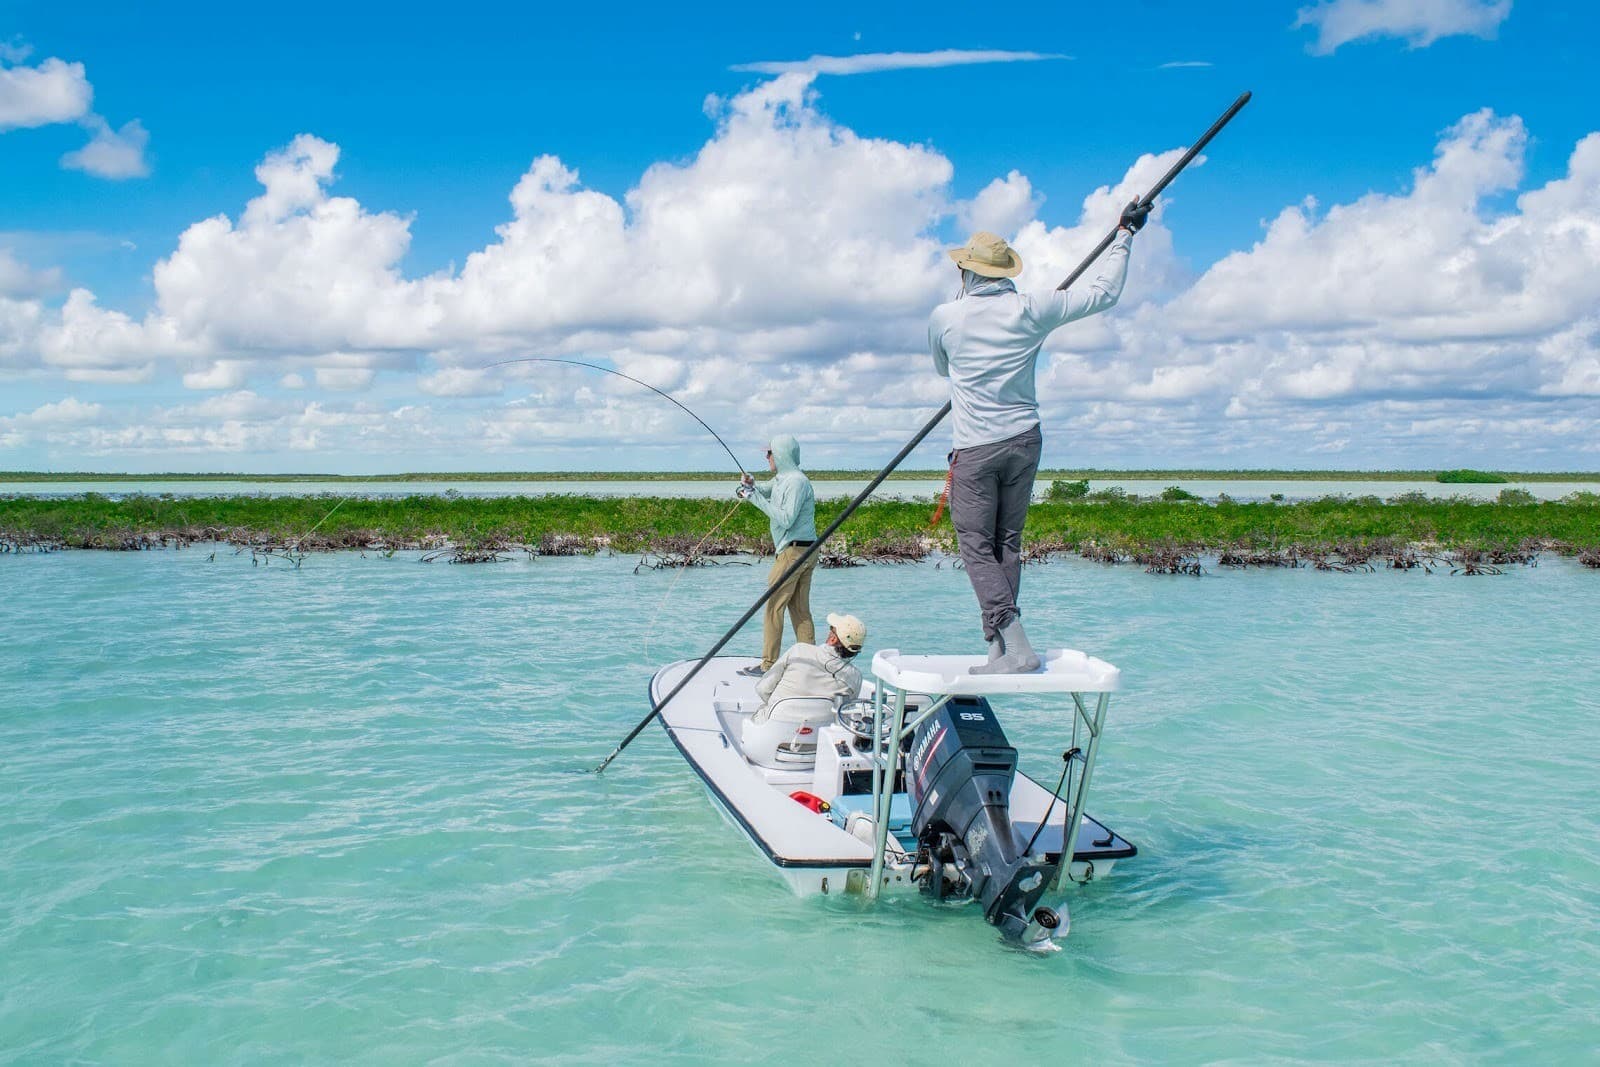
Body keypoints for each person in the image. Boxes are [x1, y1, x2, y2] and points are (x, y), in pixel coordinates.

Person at [929, 202, 1149, 674]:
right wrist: (1125, 235)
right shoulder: (1033, 307)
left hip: (976, 447)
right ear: (1005, 272)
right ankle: (999, 649)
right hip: (1025, 440)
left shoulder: (945, 317)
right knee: (1007, 541)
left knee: (974, 546)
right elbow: (1103, 293)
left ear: (966, 273)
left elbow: (944, 369)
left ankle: (1018, 646)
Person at [735, 434, 817, 677]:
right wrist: (751, 486)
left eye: (770, 453)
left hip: (793, 552)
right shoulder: (784, 479)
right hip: (806, 549)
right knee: (800, 610)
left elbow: (785, 518)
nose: (767, 457)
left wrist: (754, 498)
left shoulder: (796, 482)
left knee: (773, 607)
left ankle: (768, 666)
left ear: (781, 454)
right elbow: (763, 489)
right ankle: (810, 667)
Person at [751, 613, 866, 719]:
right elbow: (845, 710)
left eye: (831, 629)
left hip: (774, 726)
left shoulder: (799, 651)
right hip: (818, 736)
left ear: (833, 639)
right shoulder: (855, 676)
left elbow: (762, 689)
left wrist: (778, 705)